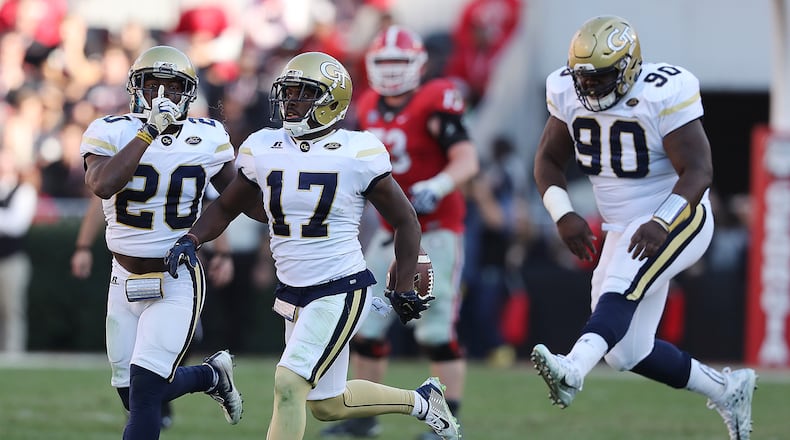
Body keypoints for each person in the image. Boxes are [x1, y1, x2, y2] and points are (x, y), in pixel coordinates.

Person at [164, 51, 461, 440]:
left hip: (339, 286)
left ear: (331, 101)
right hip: (294, 290)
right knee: (326, 404)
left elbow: (406, 220)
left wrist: (403, 283)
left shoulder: (358, 151)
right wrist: (193, 237)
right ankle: (423, 401)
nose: (291, 102)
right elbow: (227, 204)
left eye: (303, 93)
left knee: (288, 383)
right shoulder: (264, 146)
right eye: (287, 93)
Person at [529, 15, 757, 440]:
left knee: (619, 285)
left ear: (630, 67)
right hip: (622, 225)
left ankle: (573, 369)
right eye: (585, 78)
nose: (591, 88)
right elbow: (547, 161)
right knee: (627, 352)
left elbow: (699, 170)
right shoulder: (564, 89)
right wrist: (563, 213)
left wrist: (660, 221)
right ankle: (728, 391)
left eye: (603, 77)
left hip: (678, 213)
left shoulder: (663, 92)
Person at [322, 25, 479, 440]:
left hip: (437, 230)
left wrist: (439, 185)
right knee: (365, 325)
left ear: (419, 65)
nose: (391, 72)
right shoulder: (369, 103)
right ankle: (362, 417)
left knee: (434, 327)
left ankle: (449, 417)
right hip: (393, 233)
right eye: (384, 62)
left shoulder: (436, 96)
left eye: (399, 62)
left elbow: (467, 159)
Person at [80, 45, 244, 439]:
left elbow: (237, 197)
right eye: (153, 86)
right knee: (130, 390)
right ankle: (210, 375)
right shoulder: (110, 129)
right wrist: (148, 131)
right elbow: (103, 184)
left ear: (188, 93)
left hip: (177, 277)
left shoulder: (207, 136)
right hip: (123, 278)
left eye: (172, 88)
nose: (161, 97)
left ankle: (207, 375)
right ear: (136, 87)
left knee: (146, 394)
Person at [0, 148, 37, 355]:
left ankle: (13, 354)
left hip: (12, 261)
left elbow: (17, 225)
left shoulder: (24, 191)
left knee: (12, 310)